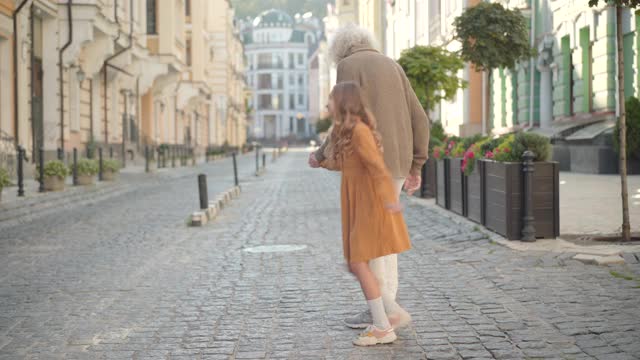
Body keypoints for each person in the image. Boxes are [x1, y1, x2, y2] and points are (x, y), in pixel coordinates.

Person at [309, 24, 430, 330]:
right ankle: (385, 304)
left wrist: (321, 155)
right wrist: (417, 165)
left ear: (340, 50)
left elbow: (344, 120)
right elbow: (420, 118)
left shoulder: (349, 66)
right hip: (399, 163)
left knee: (369, 240)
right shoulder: (393, 65)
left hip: (369, 165)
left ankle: (384, 310)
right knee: (383, 237)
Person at [319, 81, 411, 346]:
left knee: (359, 263)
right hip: (357, 205)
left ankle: (383, 325)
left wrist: (388, 200)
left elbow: (377, 168)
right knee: (355, 264)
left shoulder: (360, 132)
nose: (328, 104)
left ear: (344, 103)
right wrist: (322, 161)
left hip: (369, 205)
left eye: (331, 100)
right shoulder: (348, 133)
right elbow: (345, 164)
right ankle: (388, 315)